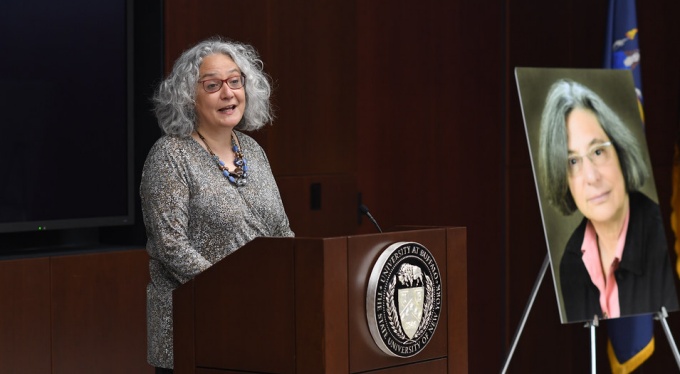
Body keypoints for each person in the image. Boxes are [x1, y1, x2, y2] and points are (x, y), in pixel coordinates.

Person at [140, 37, 294, 373]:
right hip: (195, 331)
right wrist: (238, 292)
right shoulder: (170, 155)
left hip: (259, 327)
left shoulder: (252, 150)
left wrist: (295, 277)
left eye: (235, 81)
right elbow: (171, 246)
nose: (228, 93)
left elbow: (281, 231)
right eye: (212, 85)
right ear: (188, 97)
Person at [537, 79, 678, 323]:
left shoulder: (662, 240)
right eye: (572, 161)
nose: (591, 177)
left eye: (598, 152)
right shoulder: (571, 262)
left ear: (620, 151)